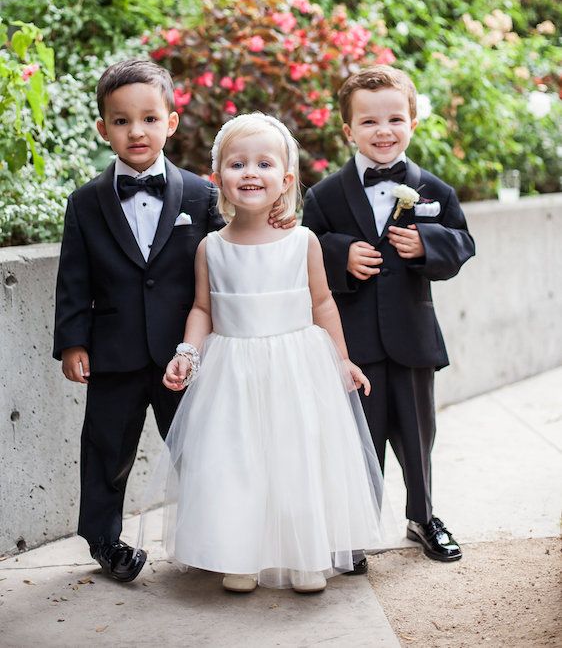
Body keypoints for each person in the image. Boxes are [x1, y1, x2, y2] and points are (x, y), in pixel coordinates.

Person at [53, 61, 292, 583]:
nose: (136, 131)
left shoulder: (199, 194)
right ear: (103, 129)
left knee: (202, 446)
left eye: (148, 118)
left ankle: (219, 537)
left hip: (185, 355)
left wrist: (272, 220)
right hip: (112, 351)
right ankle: (104, 540)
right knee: (106, 447)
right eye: (121, 121)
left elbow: (228, 256)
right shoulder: (86, 202)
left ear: (171, 122)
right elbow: (74, 278)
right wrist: (73, 341)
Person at [156, 113, 393, 594]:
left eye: (264, 163)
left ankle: (305, 554)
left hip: (296, 369)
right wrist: (187, 352)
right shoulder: (210, 248)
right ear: (218, 177)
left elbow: (323, 303)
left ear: (285, 180)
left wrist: (342, 360)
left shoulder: (301, 242)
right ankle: (240, 554)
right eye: (237, 163)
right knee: (236, 462)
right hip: (232, 372)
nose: (250, 172)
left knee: (297, 458)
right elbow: (203, 308)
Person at [302, 65, 475, 563]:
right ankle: (355, 527)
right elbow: (305, 250)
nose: (383, 131)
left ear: (413, 122)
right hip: (353, 341)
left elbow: (463, 243)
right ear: (348, 130)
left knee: (419, 435)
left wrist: (428, 243)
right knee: (359, 436)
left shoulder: (434, 191)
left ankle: (422, 515)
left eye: (395, 119)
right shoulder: (325, 195)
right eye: (369, 122)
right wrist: (341, 255)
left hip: (413, 335)